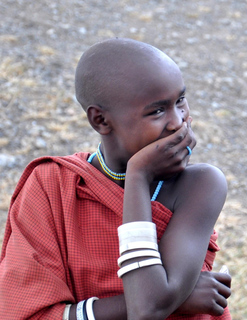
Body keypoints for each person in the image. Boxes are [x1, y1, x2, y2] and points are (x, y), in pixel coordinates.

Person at [0, 38, 232, 320]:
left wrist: (138, 176)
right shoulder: (51, 185)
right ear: (100, 121)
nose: (178, 121)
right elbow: (26, 313)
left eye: (180, 100)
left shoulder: (200, 184)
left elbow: (148, 307)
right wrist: (179, 299)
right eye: (157, 111)